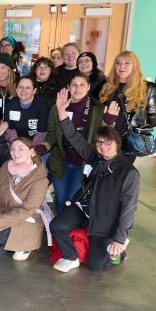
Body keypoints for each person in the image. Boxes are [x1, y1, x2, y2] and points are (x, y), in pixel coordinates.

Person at [49, 91, 139, 273]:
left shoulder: (128, 172)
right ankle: (71, 257)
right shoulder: (94, 156)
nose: (103, 147)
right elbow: (73, 136)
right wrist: (61, 111)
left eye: (108, 142)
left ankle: (120, 252)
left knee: (96, 266)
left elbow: (129, 208)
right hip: (84, 209)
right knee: (56, 225)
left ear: (117, 143)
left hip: (105, 221)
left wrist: (120, 238)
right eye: (99, 143)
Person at [0, 137, 51, 260]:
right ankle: (12, 242)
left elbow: (27, 210)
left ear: (32, 152)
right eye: (12, 149)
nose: (15, 153)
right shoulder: (7, 165)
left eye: (21, 148)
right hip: (4, 214)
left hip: (26, 218)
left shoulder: (40, 180)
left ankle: (23, 244)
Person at [43, 80, 109, 212]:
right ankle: (59, 224)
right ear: (68, 87)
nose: (77, 88)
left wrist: (109, 122)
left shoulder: (97, 109)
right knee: (60, 200)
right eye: (74, 85)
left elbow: (105, 137)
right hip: (61, 161)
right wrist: (44, 146)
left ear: (88, 87)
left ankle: (67, 223)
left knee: (71, 201)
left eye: (82, 85)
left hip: (83, 164)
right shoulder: (58, 107)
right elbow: (51, 134)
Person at [99, 50, 156, 160]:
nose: (121, 66)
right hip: (107, 138)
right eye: (118, 63)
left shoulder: (147, 89)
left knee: (122, 170)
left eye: (127, 63)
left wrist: (138, 124)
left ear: (135, 66)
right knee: (103, 169)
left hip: (129, 142)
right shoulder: (106, 86)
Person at [4, 77, 51, 151]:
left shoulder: (42, 106)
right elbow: (11, 130)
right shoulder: (10, 105)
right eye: (20, 87)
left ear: (34, 91)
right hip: (16, 142)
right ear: (16, 90)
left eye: (28, 88)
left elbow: (41, 133)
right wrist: (16, 148)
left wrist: (31, 151)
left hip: (36, 144)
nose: (23, 90)